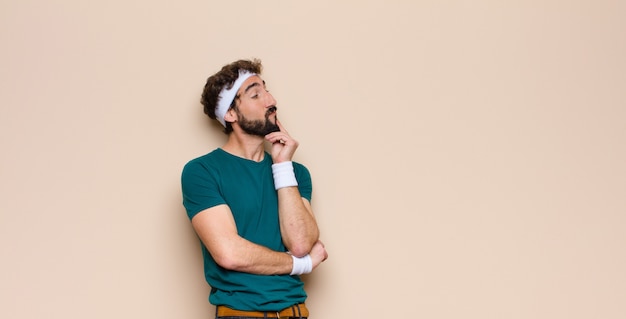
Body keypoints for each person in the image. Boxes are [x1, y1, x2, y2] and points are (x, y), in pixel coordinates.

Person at [181, 58, 328, 319]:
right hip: (240, 314)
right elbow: (229, 253)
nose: (271, 100)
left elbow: (301, 243)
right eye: (255, 94)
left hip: (296, 313)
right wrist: (302, 265)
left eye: (267, 90)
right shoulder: (202, 172)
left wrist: (282, 166)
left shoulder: (295, 173)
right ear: (231, 114)